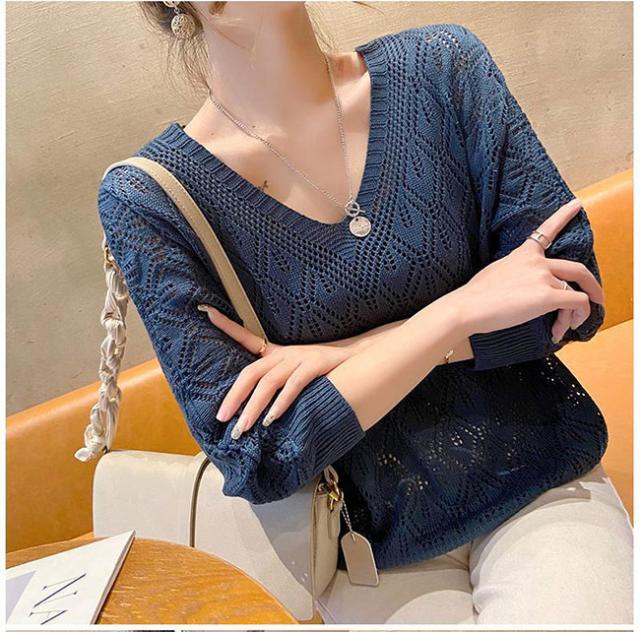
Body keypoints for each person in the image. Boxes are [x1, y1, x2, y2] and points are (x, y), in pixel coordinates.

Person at [94, 1, 632, 624]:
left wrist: (344, 355)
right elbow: (259, 453)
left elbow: (569, 294)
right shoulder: (152, 199)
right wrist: (454, 315)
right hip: (361, 551)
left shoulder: (440, 69)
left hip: (538, 482)